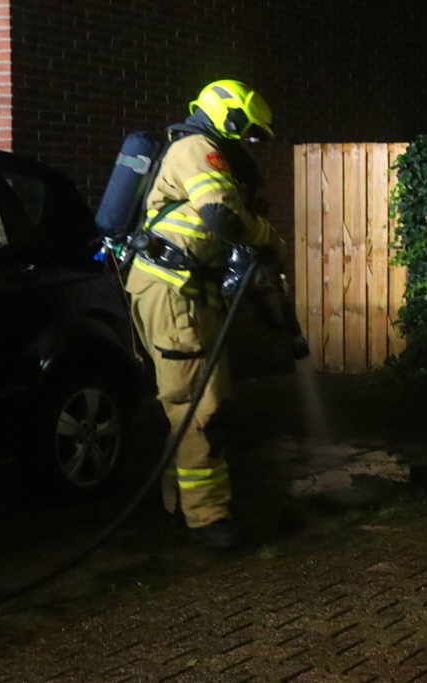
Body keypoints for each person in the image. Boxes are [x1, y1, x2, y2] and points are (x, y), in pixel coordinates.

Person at [125, 79, 292, 548]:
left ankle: (181, 505)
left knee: (193, 399)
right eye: (245, 131)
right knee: (199, 404)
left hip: (185, 289)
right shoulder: (197, 148)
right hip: (173, 290)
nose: (245, 142)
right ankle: (207, 517)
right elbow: (222, 216)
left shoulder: (197, 149)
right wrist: (270, 238)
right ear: (229, 117)